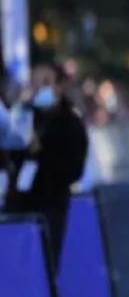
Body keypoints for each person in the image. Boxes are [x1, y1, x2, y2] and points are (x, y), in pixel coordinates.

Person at [3, 62, 90, 272]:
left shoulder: (70, 124)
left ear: (59, 87)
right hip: (19, 204)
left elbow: (73, 171)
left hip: (50, 206)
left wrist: (41, 152)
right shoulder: (22, 116)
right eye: (34, 82)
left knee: (44, 271)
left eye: (45, 82)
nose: (38, 88)